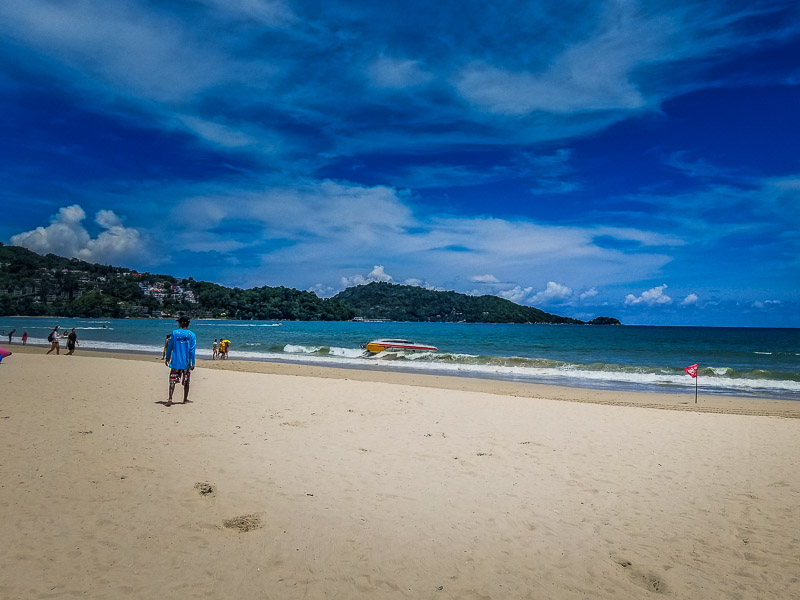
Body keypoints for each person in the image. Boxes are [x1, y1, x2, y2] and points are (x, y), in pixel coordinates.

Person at [164, 315, 196, 406]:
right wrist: (192, 362)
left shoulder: (175, 333)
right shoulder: (192, 335)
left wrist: (167, 358)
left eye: (179, 322)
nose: (178, 323)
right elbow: (192, 350)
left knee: (172, 380)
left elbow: (169, 347)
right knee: (186, 381)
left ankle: (170, 398)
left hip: (176, 362)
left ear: (182, 323)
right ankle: (185, 399)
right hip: (186, 363)